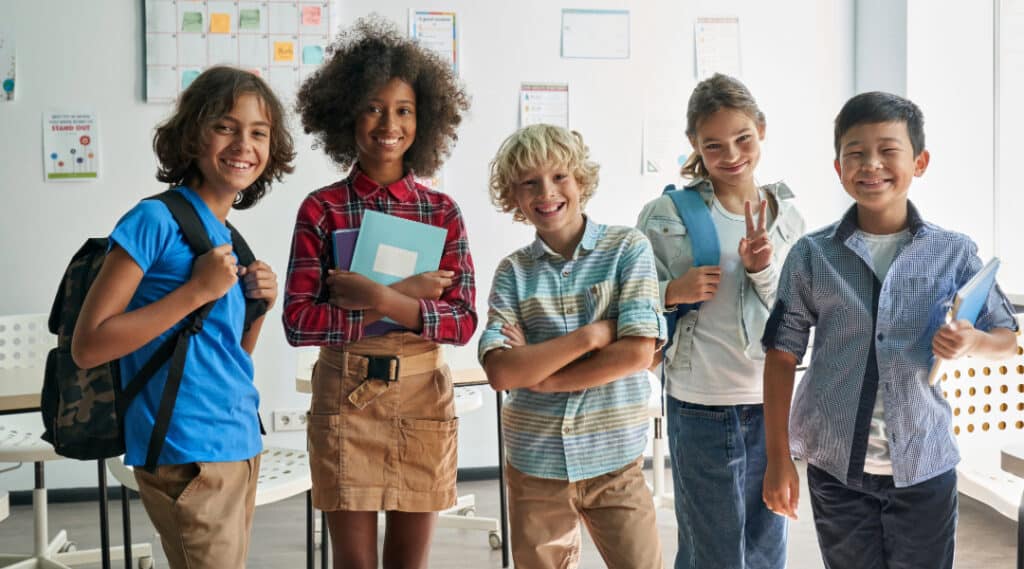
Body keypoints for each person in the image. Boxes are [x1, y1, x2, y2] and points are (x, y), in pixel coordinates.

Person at [761, 91, 1019, 569]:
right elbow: (780, 355)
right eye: (855, 152)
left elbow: (1005, 337)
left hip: (925, 465)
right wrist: (777, 458)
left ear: (919, 162)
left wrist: (971, 341)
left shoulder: (953, 251)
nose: (871, 164)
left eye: (888, 150)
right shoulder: (811, 256)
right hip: (836, 468)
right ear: (838, 168)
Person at [71, 65, 295, 569]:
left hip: (238, 441)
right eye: (225, 126)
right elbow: (89, 344)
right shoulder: (153, 220)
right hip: (184, 451)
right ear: (193, 135)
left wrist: (259, 308)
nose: (244, 144)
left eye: (258, 133)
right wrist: (196, 291)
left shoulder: (228, 236)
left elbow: (224, 358)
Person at [282, 16, 475, 569]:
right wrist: (414, 299)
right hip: (346, 399)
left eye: (404, 110)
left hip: (423, 400)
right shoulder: (321, 209)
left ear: (425, 119)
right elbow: (298, 322)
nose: (388, 123)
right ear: (347, 114)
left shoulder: (442, 212)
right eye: (373, 107)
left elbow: (462, 321)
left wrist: (380, 297)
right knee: (355, 565)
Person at [636, 73, 804, 569]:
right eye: (714, 145)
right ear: (694, 145)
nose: (731, 154)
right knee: (714, 553)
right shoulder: (665, 214)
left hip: (769, 404)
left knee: (767, 549)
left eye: (743, 139)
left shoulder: (787, 216)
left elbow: (793, 316)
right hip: (699, 404)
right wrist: (673, 290)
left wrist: (762, 269)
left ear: (762, 130)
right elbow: (629, 301)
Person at [479, 123, 665, 569]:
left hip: (614, 460)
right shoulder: (512, 273)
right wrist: (594, 336)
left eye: (559, 176)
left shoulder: (627, 249)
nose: (547, 192)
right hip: (534, 462)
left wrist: (542, 375)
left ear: (580, 180)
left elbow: (638, 353)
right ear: (515, 198)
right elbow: (503, 373)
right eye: (529, 182)